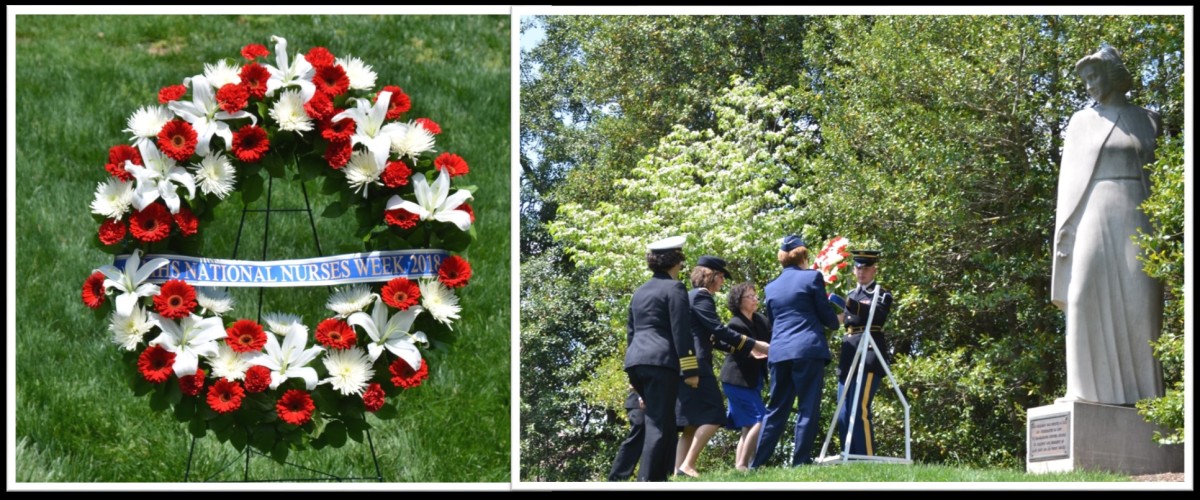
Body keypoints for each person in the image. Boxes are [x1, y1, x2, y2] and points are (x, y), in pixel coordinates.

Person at [1052, 46, 1164, 405]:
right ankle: (1083, 392)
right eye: (1085, 80)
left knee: (1141, 303)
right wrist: (1065, 232)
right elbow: (1069, 183)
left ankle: (1146, 399)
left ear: (1113, 74)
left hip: (1137, 214)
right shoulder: (1081, 122)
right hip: (1093, 212)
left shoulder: (1149, 119)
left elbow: (1160, 178)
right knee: (1082, 293)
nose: (1089, 86)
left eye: (1094, 76)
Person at [751, 235, 841, 468]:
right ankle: (800, 461)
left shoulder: (771, 287)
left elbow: (773, 322)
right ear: (803, 256)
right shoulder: (812, 277)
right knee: (807, 407)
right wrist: (837, 320)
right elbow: (825, 314)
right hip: (807, 349)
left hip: (780, 352)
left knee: (776, 409)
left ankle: (757, 463)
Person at [674, 256, 768, 477]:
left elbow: (713, 339)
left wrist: (744, 349)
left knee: (690, 424)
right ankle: (688, 465)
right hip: (698, 364)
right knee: (715, 416)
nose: (723, 282)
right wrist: (755, 344)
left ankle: (678, 472)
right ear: (712, 276)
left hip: (685, 364)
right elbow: (718, 330)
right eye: (722, 277)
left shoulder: (688, 296)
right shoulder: (703, 297)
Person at [624, 235, 698, 481]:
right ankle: (647, 481)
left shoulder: (639, 292)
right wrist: (690, 370)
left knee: (664, 423)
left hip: (636, 362)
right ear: (676, 261)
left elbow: (631, 333)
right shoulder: (674, 288)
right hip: (660, 362)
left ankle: (659, 479)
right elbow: (681, 330)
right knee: (659, 425)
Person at [835, 249, 893, 457]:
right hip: (849, 355)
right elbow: (840, 320)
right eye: (858, 268)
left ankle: (866, 457)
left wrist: (848, 305)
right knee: (843, 412)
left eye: (866, 268)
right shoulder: (850, 294)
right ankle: (848, 456)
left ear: (874, 270)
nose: (862, 272)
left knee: (859, 410)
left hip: (869, 354)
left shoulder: (881, 293)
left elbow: (876, 315)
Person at [719, 281, 771, 471]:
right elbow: (741, 350)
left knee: (748, 424)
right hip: (736, 380)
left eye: (756, 295)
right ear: (739, 301)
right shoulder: (735, 323)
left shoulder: (760, 320)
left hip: (753, 379)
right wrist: (754, 351)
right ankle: (744, 465)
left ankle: (741, 467)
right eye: (750, 296)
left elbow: (772, 338)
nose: (755, 299)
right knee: (760, 418)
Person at [607, 388, 645, 481]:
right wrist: (641, 397)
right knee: (636, 437)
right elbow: (634, 378)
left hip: (650, 403)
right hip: (638, 403)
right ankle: (617, 477)